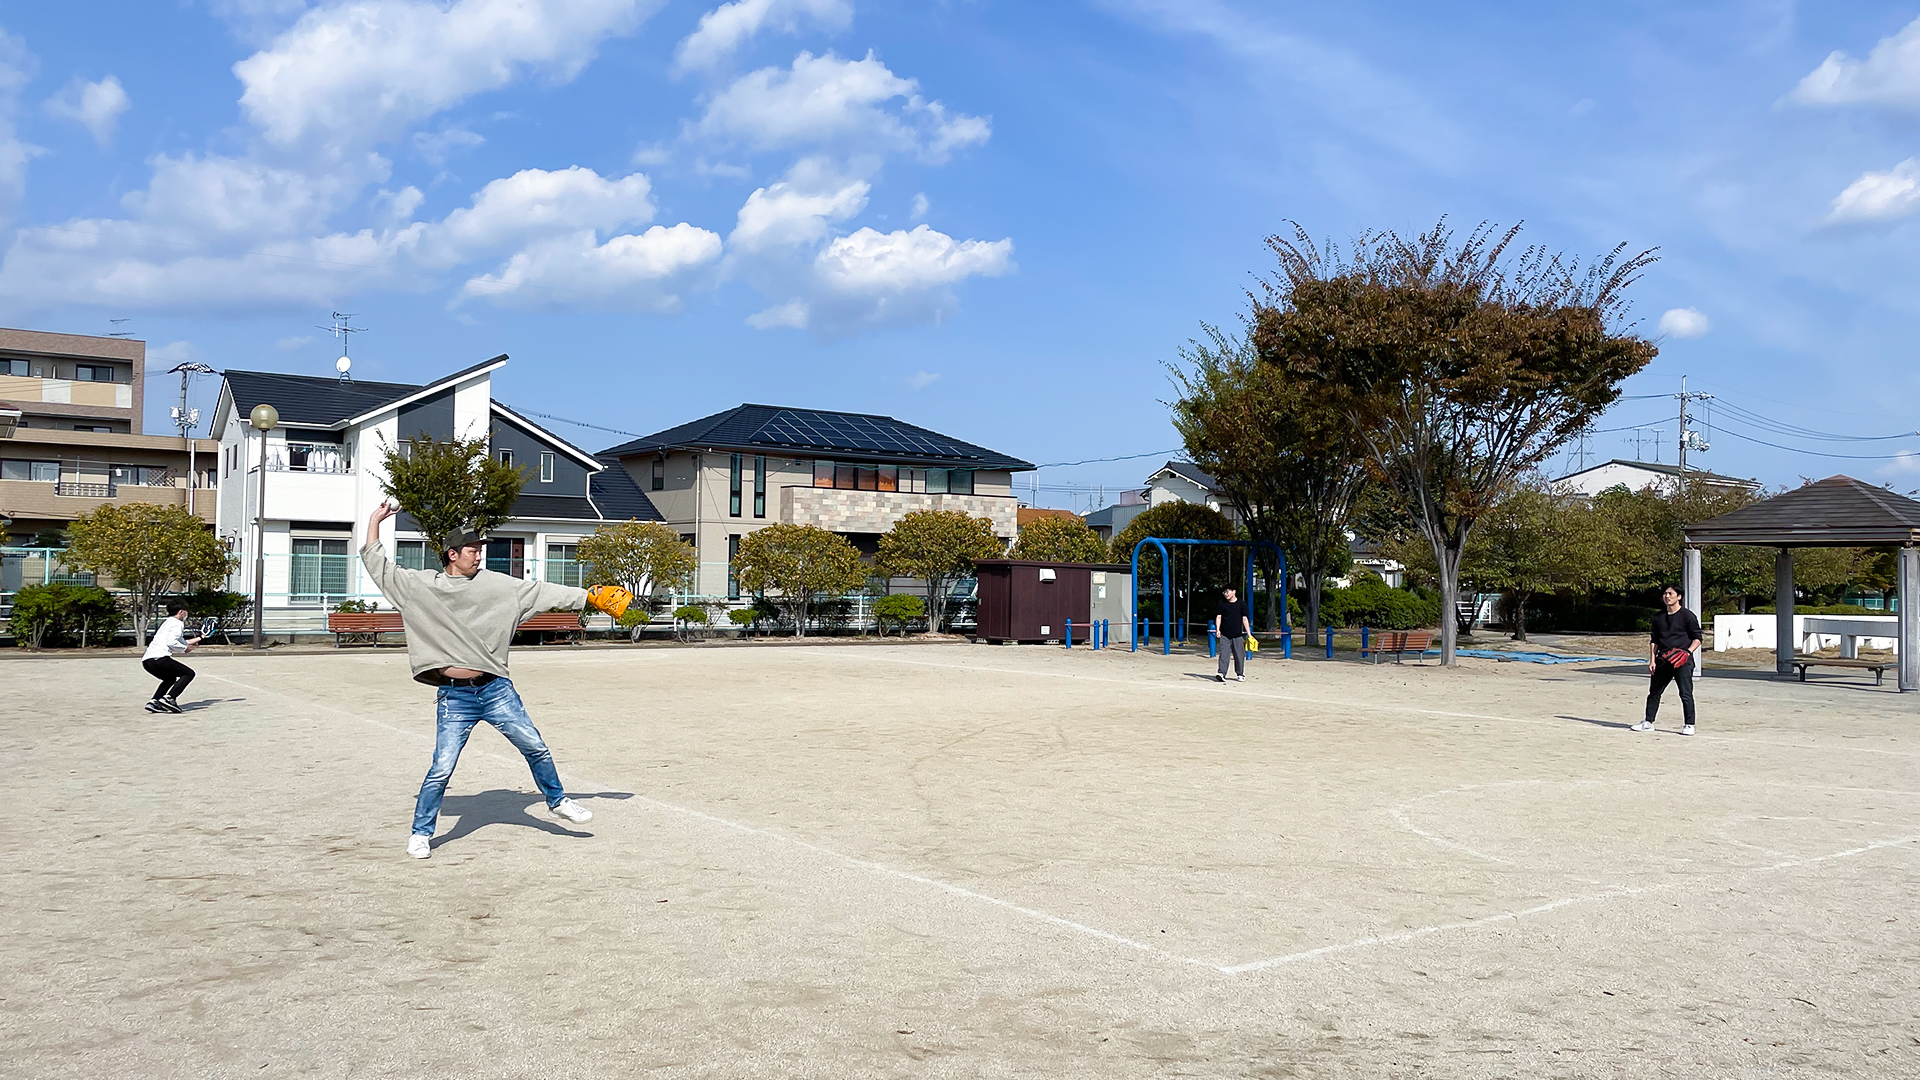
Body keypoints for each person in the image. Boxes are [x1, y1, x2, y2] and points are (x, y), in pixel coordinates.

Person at [363, 500, 624, 860]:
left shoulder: (497, 585)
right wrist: (375, 521)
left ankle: (559, 801)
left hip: (495, 688)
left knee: (535, 746)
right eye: (472, 550)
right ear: (452, 554)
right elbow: (378, 565)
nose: (478, 556)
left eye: (479, 550)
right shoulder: (419, 587)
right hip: (454, 696)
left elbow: (542, 592)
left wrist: (589, 596)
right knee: (441, 767)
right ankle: (421, 833)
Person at [1635, 584, 1702, 735]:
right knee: (1654, 692)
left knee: (1685, 693)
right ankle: (1648, 722)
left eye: (1671, 594)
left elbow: (1697, 638)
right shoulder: (1659, 617)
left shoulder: (1687, 616)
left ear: (1679, 597)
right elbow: (1654, 640)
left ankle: (1689, 724)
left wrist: (1687, 652)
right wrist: (1652, 660)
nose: (1667, 596)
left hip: (1682, 661)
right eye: (1665, 594)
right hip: (1663, 660)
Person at [141, 604, 203, 713]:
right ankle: (170, 698)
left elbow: (181, 642)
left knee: (170, 679)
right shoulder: (177, 623)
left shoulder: (168, 622)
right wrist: (184, 649)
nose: (186, 614)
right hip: (159, 658)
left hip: (147, 661)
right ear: (181, 612)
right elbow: (171, 642)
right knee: (188, 674)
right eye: (186, 611)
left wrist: (201, 637)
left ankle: (154, 702)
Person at [1213, 585, 1252, 682]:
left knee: (1239, 655)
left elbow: (1245, 619)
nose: (1226, 594)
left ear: (1234, 592)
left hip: (1237, 635)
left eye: (1228, 591)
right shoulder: (1222, 604)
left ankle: (1240, 673)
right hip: (1225, 634)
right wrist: (1218, 630)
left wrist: (1249, 634)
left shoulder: (1241, 604)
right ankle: (1221, 673)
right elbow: (1219, 617)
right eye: (1225, 592)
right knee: (1224, 654)